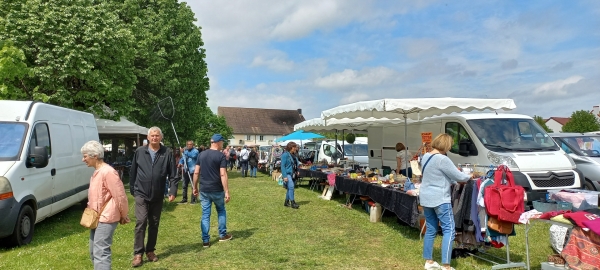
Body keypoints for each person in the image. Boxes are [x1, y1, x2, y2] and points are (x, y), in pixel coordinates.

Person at [419, 134, 472, 270]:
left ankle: (429, 261)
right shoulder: (443, 159)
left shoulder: (426, 156)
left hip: (426, 197)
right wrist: (470, 176)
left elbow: (438, 175)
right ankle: (446, 265)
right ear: (447, 146)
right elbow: (459, 176)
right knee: (449, 230)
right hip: (440, 198)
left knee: (431, 229)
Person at [129, 127, 176, 267]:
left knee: (154, 223)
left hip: (158, 194)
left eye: (157, 136)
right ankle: (138, 253)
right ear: (148, 137)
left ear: (161, 138)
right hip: (141, 193)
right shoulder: (140, 151)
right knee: (141, 222)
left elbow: (173, 174)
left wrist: (172, 190)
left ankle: (150, 250)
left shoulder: (167, 152)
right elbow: (133, 172)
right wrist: (133, 189)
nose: (155, 138)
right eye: (152, 135)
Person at [81, 140, 130, 270]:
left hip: (107, 217)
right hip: (96, 217)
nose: (83, 159)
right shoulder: (97, 171)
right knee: (94, 251)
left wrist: (124, 215)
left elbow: (120, 196)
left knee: (101, 252)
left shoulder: (108, 172)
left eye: (85, 156)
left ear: (95, 156)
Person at [193, 134, 232, 247]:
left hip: (204, 189)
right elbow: (223, 174)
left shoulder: (201, 154)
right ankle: (222, 235)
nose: (223, 144)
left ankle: (205, 240)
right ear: (218, 142)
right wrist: (226, 191)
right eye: (222, 142)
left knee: (205, 214)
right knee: (221, 210)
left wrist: (195, 187)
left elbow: (196, 172)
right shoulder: (221, 156)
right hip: (217, 189)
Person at [281, 142, 300, 209]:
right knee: (291, 187)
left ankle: (286, 202)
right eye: (294, 147)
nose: (295, 148)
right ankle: (292, 202)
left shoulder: (294, 155)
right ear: (290, 148)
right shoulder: (285, 155)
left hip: (293, 174)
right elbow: (282, 166)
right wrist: (284, 176)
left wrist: (297, 170)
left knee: (289, 188)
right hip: (287, 173)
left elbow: (296, 164)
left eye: (295, 147)